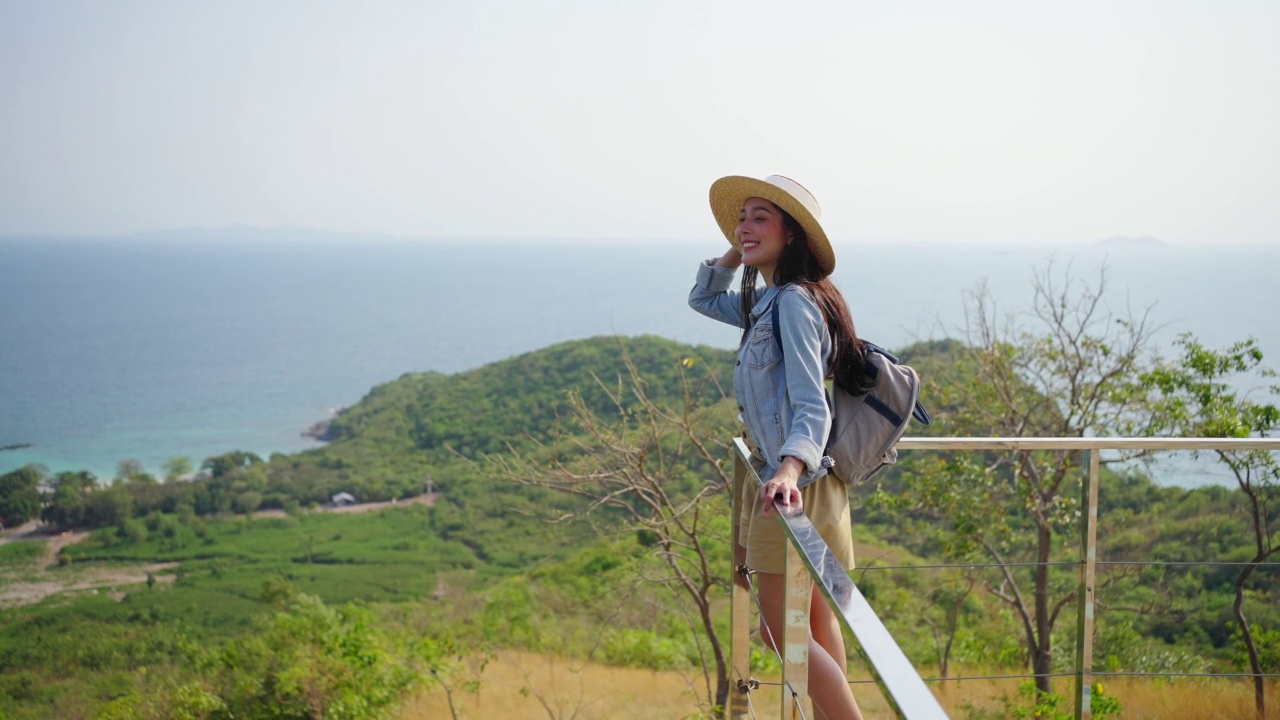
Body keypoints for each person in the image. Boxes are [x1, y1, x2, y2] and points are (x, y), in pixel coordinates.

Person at [689, 174, 870, 720]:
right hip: (816, 486)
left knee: (777, 633)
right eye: (740, 216)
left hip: (792, 489)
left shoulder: (791, 304)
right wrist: (743, 242)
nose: (745, 226)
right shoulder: (769, 300)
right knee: (817, 623)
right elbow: (702, 296)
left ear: (793, 234)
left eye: (760, 217)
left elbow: (812, 404)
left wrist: (788, 470)